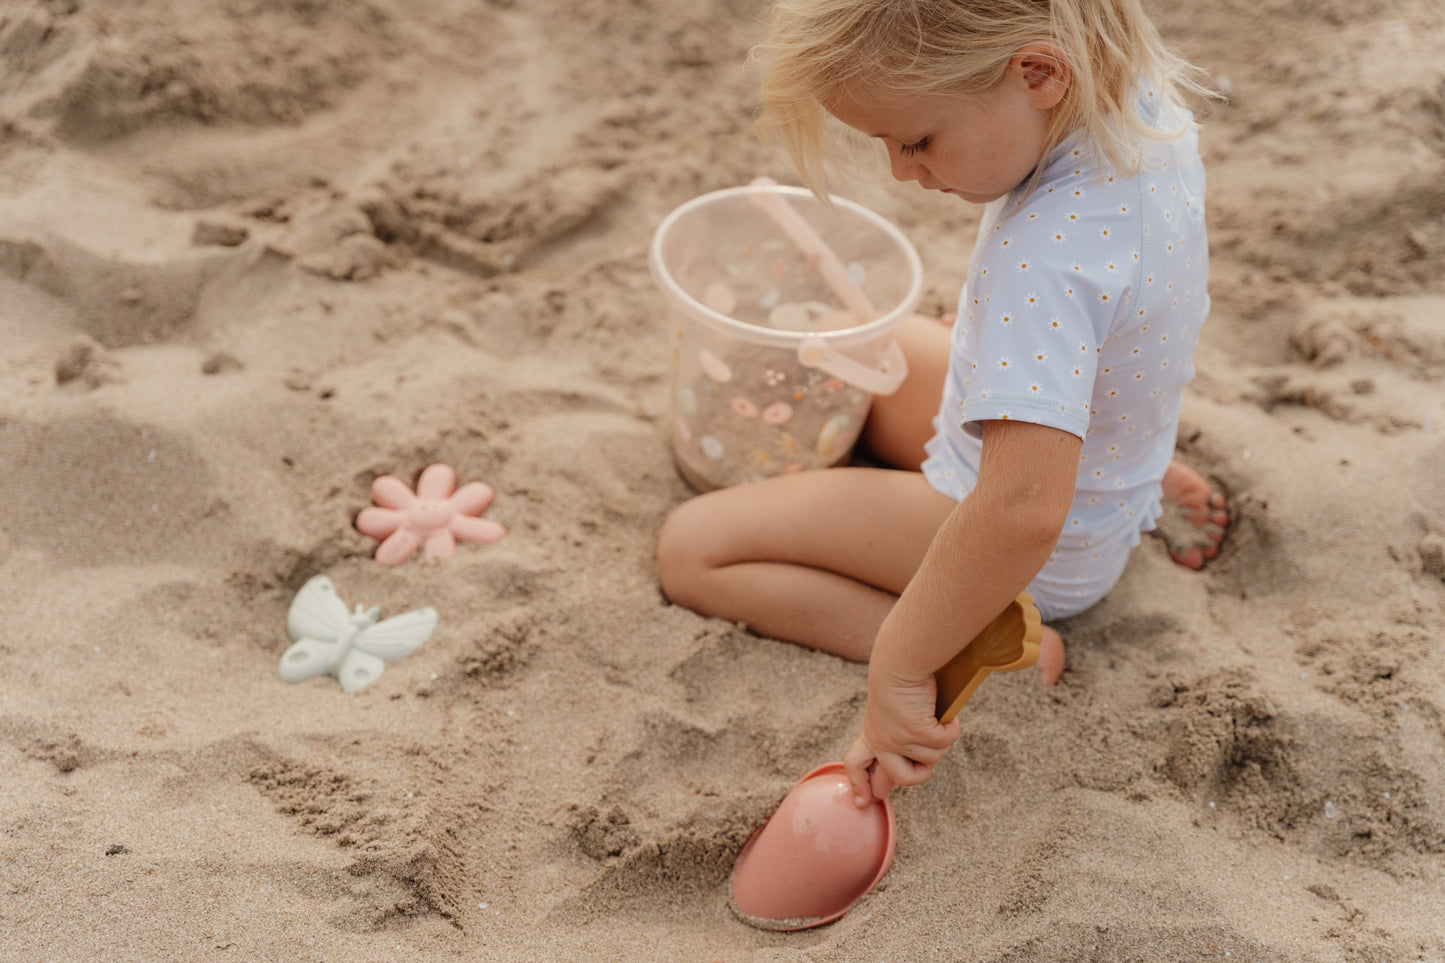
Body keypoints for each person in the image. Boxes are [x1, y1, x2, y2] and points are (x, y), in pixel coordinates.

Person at [656, 0, 1229, 808]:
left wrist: (900, 661)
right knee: (853, 344)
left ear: (1036, 72)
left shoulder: (1043, 262)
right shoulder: (1137, 104)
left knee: (693, 549)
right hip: (1099, 462)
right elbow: (1125, 309)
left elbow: (1020, 510)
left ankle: (995, 640)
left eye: (916, 140)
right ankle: (1115, 456)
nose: (900, 169)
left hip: (1032, 547)